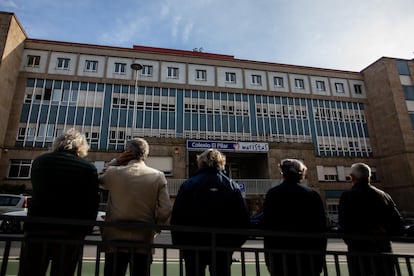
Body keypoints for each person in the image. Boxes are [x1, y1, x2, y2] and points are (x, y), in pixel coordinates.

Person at [19, 128, 100, 276]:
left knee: (31, 270)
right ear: (81, 147)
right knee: (64, 270)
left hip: (38, 228)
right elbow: (91, 202)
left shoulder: (40, 162)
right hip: (70, 231)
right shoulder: (87, 168)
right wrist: (86, 228)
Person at [171, 148, 250, 276]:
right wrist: (233, 245)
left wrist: (181, 244)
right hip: (222, 246)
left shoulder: (189, 184)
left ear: (200, 163)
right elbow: (243, 219)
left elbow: (177, 216)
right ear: (221, 163)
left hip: (193, 246)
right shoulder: (231, 186)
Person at [99, 137, 172, 276]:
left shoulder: (114, 172)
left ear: (127, 152)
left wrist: (116, 161)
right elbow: (166, 209)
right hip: (143, 239)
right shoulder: (158, 176)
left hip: (115, 239)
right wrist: (155, 228)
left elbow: (98, 178)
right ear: (146, 154)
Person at [263, 158, 327, 276]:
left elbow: (267, 224)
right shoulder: (312, 195)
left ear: (282, 173)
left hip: (279, 255)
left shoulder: (273, 194)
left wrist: (269, 258)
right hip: (308, 255)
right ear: (302, 173)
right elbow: (321, 227)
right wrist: (319, 257)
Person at [338, 163, 404, 276]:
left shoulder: (348, 196)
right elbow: (398, 224)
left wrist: (353, 241)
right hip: (383, 250)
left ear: (352, 177)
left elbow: (344, 224)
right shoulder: (384, 195)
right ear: (370, 176)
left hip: (359, 251)